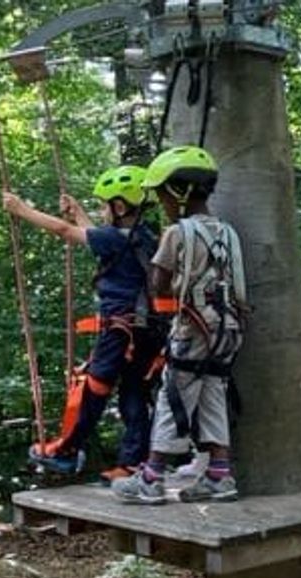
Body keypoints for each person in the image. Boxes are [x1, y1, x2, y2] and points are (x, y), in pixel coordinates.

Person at [2, 166, 166, 481]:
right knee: (134, 393)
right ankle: (133, 463)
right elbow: (96, 238)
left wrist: (21, 210)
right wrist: (79, 213)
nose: (102, 212)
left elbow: (65, 232)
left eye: (105, 206)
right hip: (147, 328)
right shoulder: (144, 237)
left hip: (120, 330)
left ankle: (66, 449)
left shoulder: (114, 238)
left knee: (93, 387)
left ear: (119, 207)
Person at [111, 145, 246, 504]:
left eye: (162, 196)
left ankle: (151, 478)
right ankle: (220, 475)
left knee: (173, 396)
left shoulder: (177, 232)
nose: (162, 204)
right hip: (229, 328)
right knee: (213, 392)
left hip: (194, 327)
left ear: (178, 192)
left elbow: (158, 283)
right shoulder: (228, 232)